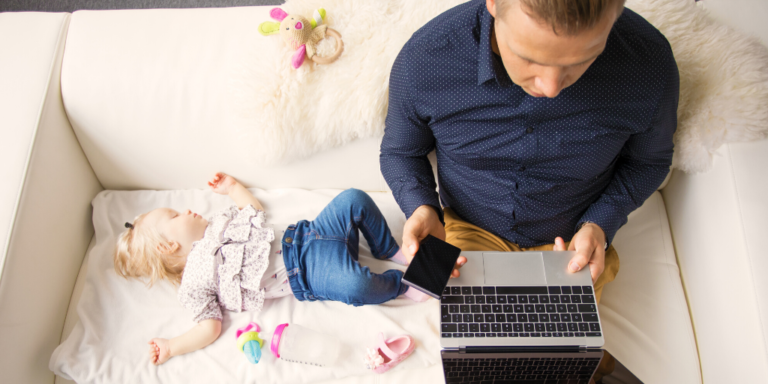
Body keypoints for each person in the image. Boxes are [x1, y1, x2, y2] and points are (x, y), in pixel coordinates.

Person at [381, 0, 678, 380]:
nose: (551, 87)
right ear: (494, 5)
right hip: (471, 231)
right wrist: (421, 207)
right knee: (481, 364)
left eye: (581, 60)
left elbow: (648, 162)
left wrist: (600, 224)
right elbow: (400, 151)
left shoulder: (649, 64)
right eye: (529, 58)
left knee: (559, 363)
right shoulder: (427, 58)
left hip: (573, 244)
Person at [114, 173, 426, 365]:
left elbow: (253, 210)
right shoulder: (194, 283)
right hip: (308, 273)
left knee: (354, 198)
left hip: (309, 232)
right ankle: (402, 284)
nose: (186, 210)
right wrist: (171, 346)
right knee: (355, 286)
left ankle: (389, 249)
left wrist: (233, 187)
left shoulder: (219, 223)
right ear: (167, 247)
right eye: (174, 216)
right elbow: (207, 328)